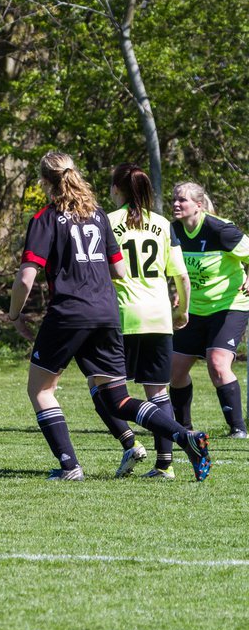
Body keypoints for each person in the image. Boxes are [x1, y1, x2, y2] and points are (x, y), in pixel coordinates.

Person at [8, 152, 209, 481]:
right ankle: (186, 437)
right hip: (106, 313)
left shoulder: (46, 217)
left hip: (70, 312)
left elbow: (27, 276)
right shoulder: (97, 215)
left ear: (45, 182)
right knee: (118, 398)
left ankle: (70, 466)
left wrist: (15, 313)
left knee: (41, 390)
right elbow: (118, 270)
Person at [90, 164, 190, 479]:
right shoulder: (163, 224)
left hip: (120, 316)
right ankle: (164, 465)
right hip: (158, 316)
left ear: (117, 190)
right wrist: (183, 311)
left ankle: (129, 443)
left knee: (100, 386)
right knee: (158, 394)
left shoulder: (106, 221)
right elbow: (182, 277)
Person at [169, 181, 249, 439]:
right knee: (175, 371)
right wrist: (177, 292)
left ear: (199, 206)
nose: (176, 204)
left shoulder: (220, 230)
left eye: (182, 200)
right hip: (193, 309)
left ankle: (238, 429)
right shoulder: (172, 231)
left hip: (229, 305)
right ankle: (183, 428)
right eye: (174, 199)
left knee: (217, 363)